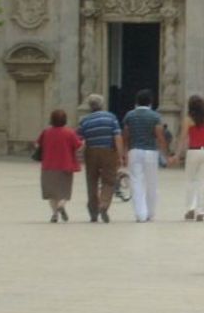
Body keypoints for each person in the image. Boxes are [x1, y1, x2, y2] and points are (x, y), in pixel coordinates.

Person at [122, 89, 170, 223]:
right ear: (150, 102)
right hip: (150, 152)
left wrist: (124, 153)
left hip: (134, 150)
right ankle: (150, 213)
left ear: (136, 102)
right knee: (151, 183)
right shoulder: (155, 116)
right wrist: (166, 154)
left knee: (136, 182)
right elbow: (160, 136)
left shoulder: (129, 115)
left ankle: (140, 213)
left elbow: (126, 135)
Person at [76, 93, 124, 223]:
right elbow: (117, 137)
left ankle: (93, 212)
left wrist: (79, 155)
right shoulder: (111, 117)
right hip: (108, 151)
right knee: (109, 181)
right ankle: (103, 205)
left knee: (91, 182)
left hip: (91, 152)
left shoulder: (84, 120)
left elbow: (79, 140)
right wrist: (120, 155)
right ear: (102, 105)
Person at [36, 109, 82, 223]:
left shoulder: (46, 132)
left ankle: (55, 214)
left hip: (48, 165)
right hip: (66, 165)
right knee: (64, 191)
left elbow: (37, 144)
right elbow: (78, 146)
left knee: (51, 192)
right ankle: (61, 204)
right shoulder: (69, 133)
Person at [174, 95, 204, 221]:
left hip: (194, 151)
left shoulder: (189, 120)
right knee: (202, 181)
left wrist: (177, 154)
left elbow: (183, 138)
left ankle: (190, 208)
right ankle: (201, 211)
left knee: (190, 181)